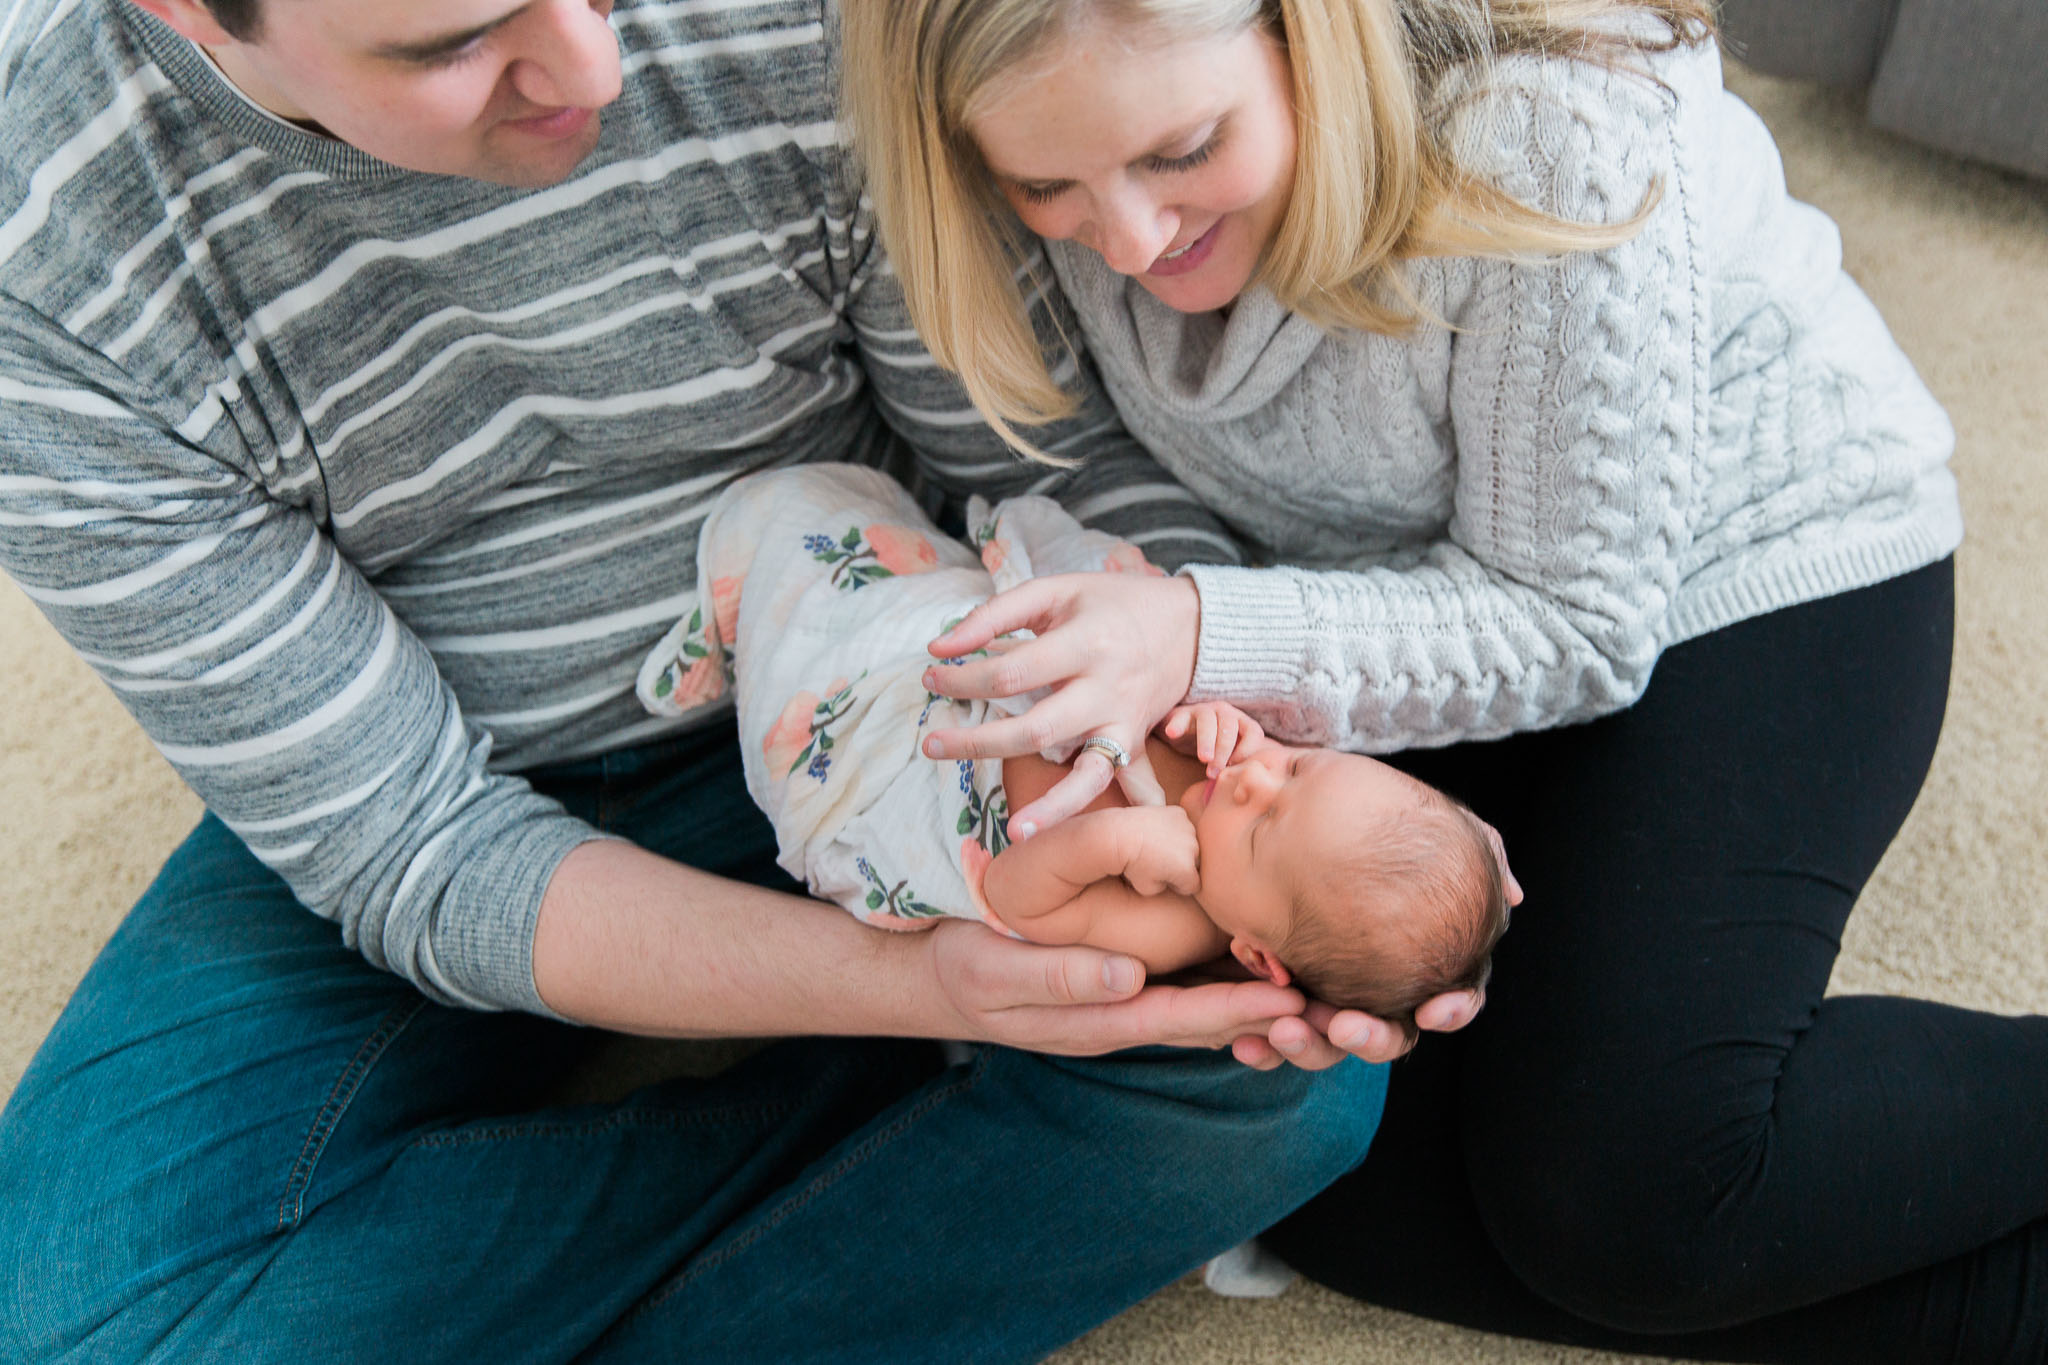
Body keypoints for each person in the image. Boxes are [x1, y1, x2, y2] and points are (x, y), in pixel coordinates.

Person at [0, 1, 1396, 1361]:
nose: (597, 64)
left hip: (911, 680)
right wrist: (922, 991)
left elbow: (1043, 466)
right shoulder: (44, 259)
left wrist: (1201, 683)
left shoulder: (797, 19)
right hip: (456, 771)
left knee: (1278, 1077)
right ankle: (924, 1091)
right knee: (77, 1324)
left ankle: (936, 1083)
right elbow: (414, 852)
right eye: (456, 43)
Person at [840, 0, 2048, 1359]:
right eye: (1047, 186)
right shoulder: (1018, 141)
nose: (1125, 240)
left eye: (1183, 150)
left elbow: (1574, 621)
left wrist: (1196, 635)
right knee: (1281, 1147)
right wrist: (1185, 659)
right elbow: (1098, 470)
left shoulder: (1548, 127)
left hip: (1742, 570)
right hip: (1378, 606)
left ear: (1309, 35)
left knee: (1631, 1198)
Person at [655, 463, 1508, 1027]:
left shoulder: (1172, 926)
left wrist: (1114, 839)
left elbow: (1022, 898)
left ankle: (730, 630)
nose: (1251, 782)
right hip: (1003, 680)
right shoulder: (1229, 768)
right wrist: (1217, 718)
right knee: (843, 539)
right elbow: (1181, 695)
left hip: (925, 775)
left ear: (1255, 952)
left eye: (1261, 828)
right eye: (1295, 769)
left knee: (801, 642)